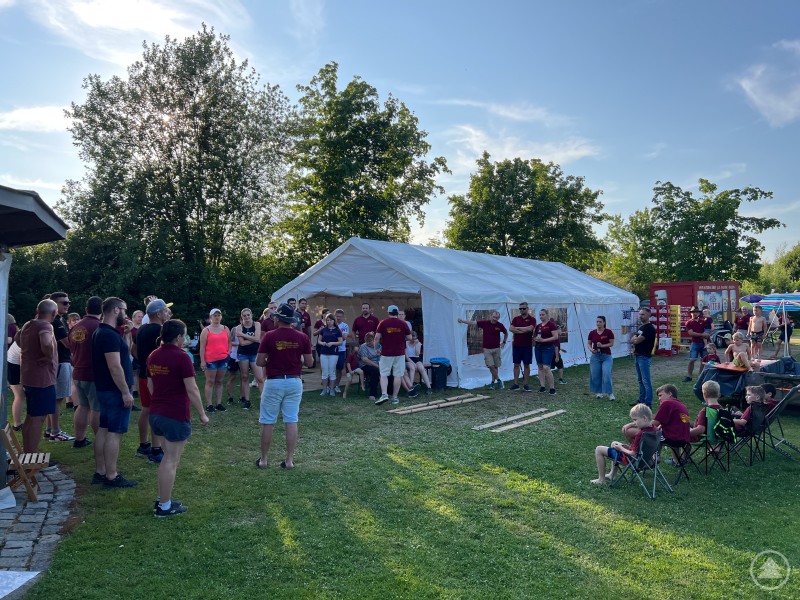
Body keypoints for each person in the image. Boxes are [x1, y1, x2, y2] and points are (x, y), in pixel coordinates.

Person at [147, 319, 209, 517]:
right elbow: (192, 388)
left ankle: (162, 499)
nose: (185, 338)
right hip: (174, 414)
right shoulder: (182, 357)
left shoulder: (153, 355)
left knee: (167, 458)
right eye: (184, 335)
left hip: (156, 413)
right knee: (170, 461)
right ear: (179, 336)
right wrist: (202, 414)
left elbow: (150, 385)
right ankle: (164, 506)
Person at [255, 303, 312, 469]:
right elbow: (309, 362)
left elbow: (259, 361)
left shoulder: (269, 336)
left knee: (268, 421)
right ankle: (289, 461)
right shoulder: (302, 337)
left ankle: (264, 460)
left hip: (274, 381)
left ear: (278, 319)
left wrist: (271, 360)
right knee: (291, 419)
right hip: (294, 381)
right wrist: (298, 359)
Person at [92, 297, 137, 488]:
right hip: (114, 390)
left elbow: (122, 354)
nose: (126, 315)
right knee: (114, 432)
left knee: (103, 429)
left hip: (104, 389)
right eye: (125, 310)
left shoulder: (102, 332)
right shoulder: (108, 335)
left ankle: (101, 471)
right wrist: (126, 392)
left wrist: (125, 336)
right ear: (116, 310)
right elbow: (115, 366)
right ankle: (112, 475)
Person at [131, 298, 172, 463]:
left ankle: (144, 445)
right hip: (157, 377)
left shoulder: (141, 329)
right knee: (157, 411)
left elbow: (133, 350)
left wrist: (143, 361)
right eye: (165, 311)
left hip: (143, 374)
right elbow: (166, 353)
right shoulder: (162, 330)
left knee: (146, 409)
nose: (168, 313)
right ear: (158, 313)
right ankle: (156, 450)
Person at [19, 299, 59, 453]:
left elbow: (17, 339)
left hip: (29, 376)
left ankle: (27, 449)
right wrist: (48, 357)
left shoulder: (28, 324)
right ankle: (32, 452)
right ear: (54, 313)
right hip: (42, 379)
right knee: (39, 417)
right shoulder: (45, 325)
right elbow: (47, 342)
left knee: (31, 415)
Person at [68, 296, 103, 449]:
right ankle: (101, 440)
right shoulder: (99, 326)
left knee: (82, 406)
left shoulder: (76, 326)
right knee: (96, 408)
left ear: (86, 309)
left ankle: (79, 439)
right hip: (93, 373)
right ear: (102, 310)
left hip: (78, 371)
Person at [592, 404, 655, 485]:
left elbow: (632, 453)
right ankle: (612, 474)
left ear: (644, 418)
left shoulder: (641, 434)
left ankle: (601, 479)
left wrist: (621, 449)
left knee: (599, 449)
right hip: (647, 460)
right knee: (614, 443)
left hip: (632, 460)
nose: (634, 423)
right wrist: (632, 424)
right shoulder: (655, 430)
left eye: (635, 420)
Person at [46, 291, 76, 442]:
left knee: (55, 398)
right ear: (54, 304)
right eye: (64, 302)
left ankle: (50, 429)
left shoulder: (57, 320)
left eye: (68, 302)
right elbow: (68, 344)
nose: (67, 305)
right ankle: (55, 431)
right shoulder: (56, 321)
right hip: (61, 362)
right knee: (58, 399)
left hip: (58, 362)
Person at [457, 310, 508, 390]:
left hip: (497, 348)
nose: (494, 319)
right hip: (487, 349)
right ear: (491, 316)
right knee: (490, 366)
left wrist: (504, 342)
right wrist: (462, 321)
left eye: (496, 318)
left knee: (495, 366)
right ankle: (499, 380)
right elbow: (473, 323)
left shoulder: (500, 325)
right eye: (493, 317)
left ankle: (492, 383)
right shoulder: (485, 323)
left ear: (498, 318)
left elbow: (506, 333)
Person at [375, 305, 413, 405]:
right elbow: (409, 338)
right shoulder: (403, 323)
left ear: (388, 313)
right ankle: (395, 397)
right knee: (398, 375)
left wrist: (375, 348)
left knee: (383, 374)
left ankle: (384, 394)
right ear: (397, 313)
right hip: (400, 353)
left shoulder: (383, 323)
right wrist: (400, 337)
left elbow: (376, 337)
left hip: (386, 353)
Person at [199, 308, 232, 413]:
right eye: (215, 315)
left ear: (221, 317)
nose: (217, 317)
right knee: (210, 382)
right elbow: (202, 347)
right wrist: (203, 361)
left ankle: (218, 403)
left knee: (220, 381)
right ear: (210, 318)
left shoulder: (226, 328)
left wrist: (228, 353)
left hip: (223, 359)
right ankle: (209, 405)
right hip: (210, 360)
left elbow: (230, 342)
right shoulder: (206, 330)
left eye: (218, 315)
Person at [232, 308, 263, 406]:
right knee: (244, 377)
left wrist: (244, 335)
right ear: (242, 317)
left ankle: (264, 399)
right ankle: (247, 400)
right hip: (243, 354)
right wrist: (254, 339)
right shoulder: (239, 327)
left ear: (251, 315)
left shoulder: (257, 324)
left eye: (248, 315)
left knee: (260, 378)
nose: (246, 317)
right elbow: (242, 343)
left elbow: (258, 338)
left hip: (255, 353)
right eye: (244, 315)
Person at [630, 307, 657, 407]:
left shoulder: (649, 328)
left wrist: (635, 339)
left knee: (646, 381)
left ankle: (648, 402)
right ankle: (641, 400)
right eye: (640, 314)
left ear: (649, 315)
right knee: (640, 380)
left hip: (644, 357)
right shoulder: (641, 328)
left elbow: (636, 340)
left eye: (643, 314)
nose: (640, 316)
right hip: (638, 356)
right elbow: (632, 338)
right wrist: (635, 339)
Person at [509, 302, 535, 392]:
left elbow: (530, 329)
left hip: (527, 346)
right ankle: (516, 384)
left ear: (527, 308)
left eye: (524, 308)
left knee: (526, 365)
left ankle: (526, 385)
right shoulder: (516, 318)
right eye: (520, 309)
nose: (522, 310)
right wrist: (523, 330)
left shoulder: (532, 319)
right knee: (516, 365)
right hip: (516, 345)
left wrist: (517, 329)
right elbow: (511, 329)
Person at [588, 316, 615, 400]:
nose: (598, 324)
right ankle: (599, 392)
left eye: (600, 322)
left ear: (604, 323)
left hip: (606, 356)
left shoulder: (608, 332)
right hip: (595, 356)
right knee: (595, 375)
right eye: (597, 322)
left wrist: (602, 345)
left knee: (606, 373)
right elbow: (589, 344)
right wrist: (591, 349)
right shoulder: (592, 333)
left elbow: (611, 343)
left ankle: (610, 393)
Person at [317, 313, 343, 396]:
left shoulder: (337, 330)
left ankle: (332, 389)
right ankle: (324, 389)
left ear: (334, 321)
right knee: (325, 371)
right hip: (324, 353)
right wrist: (323, 343)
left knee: (332, 371)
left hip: (333, 353)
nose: (329, 322)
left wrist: (332, 343)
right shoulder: (323, 330)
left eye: (330, 320)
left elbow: (340, 342)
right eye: (327, 320)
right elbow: (319, 341)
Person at [534, 308, 559, 395]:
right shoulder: (538, 326)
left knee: (546, 368)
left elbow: (555, 337)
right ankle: (542, 386)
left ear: (547, 315)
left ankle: (552, 388)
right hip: (538, 347)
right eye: (540, 315)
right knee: (540, 367)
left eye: (543, 314)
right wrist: (536, 339)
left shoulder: (551, 325)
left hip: (548, 348)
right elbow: (535, 337)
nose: (541, 316)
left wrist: (544, 340)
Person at [683, 306, 709, 382]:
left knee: (703, 360)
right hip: (695, 342)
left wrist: (707, 335)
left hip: (703, 343)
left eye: (696, 312)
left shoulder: (703, 321)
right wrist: (702, 335)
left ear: (698, 313)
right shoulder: (689, 322)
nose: (695, 313)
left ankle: (700, 376)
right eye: (693, 312)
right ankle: (689, 376)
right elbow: (691, 333)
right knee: (692, 360)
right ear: (691, 313)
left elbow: (708, 329)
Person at [7, 334, 24, 430]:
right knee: (19, 396)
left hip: (13, 363)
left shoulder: (28, 332)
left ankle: (18, 423)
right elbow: (23, 358)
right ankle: (17, 424)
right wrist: (22, 377)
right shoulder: (26, 337)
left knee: (20, 396)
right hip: (13, 365)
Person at [358, 332, 381, 401]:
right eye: (367, 341)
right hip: (365, 365)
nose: (368, 343)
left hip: (377, 363)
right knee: (375, 371)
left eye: (370, 341)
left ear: (374, 340)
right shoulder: (363, 347)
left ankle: (388, 392)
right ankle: (372, 394)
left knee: (388, 370)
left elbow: (382, 355)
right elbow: (365, 360)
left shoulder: (378, 346)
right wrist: (377, 366)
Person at [333, 309, 350, 393]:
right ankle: (330, 385)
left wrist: (334, 339)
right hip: (332, 350)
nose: (338, 318)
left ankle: (337, 385)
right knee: (331, 369)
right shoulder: (331, 325)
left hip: (341, 350)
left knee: (339, 368)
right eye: (337, 316)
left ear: (343, 317)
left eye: (340, 316)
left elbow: (344, 337)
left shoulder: (345, 326)